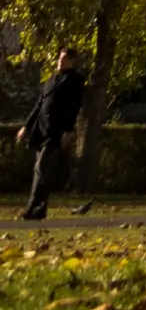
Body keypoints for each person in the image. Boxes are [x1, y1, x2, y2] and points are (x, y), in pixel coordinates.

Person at [16, 48, 89, 222]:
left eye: (64, 59)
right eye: (59, 58)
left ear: (72, 61)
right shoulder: (50, 80)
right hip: (42, 129)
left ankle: (31, 207)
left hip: (56, 130)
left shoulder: (75, 80)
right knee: (39, 170)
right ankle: (40, 209)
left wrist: (68, 130)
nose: (60, 61)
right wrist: (26, 126)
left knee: (41, 167)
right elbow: (39, 105)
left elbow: (74, 106)